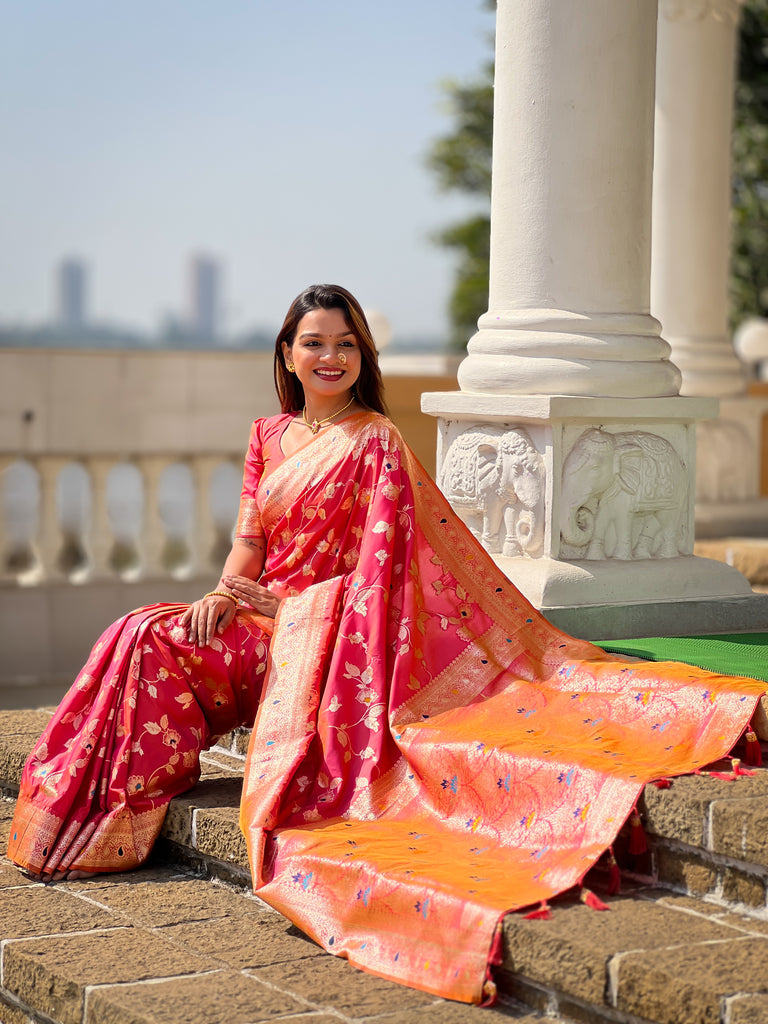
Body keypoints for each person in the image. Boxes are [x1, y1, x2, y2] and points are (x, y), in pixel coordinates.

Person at [7, 284, 765, 1004]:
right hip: (257, 619)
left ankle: (100, 820)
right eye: (314, 343)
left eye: (345, 344)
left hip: (322, 641)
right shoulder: (267, 435)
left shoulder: (377, 443)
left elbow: (385, 576)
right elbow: (248, 540)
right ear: (287, 353)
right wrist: (218, 594)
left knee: (147, 636)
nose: (330, 357)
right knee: (141, 631)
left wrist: (294, 607)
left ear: (363, 355)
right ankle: (101, 819)